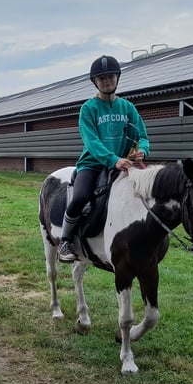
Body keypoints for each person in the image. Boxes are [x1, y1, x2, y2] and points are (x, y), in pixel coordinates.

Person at [58, 55, 150, 263]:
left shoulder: (128, 108)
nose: (107, 81)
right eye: (102, 78)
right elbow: (92, 141)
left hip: (125, 164)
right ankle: (65, 240)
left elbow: (142, 136)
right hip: (92, 164)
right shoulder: (88, 109)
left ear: (117, 78)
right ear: (95, 82)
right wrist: (113, 160)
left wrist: (142, 150)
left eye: (110, 76)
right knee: (80, 197)